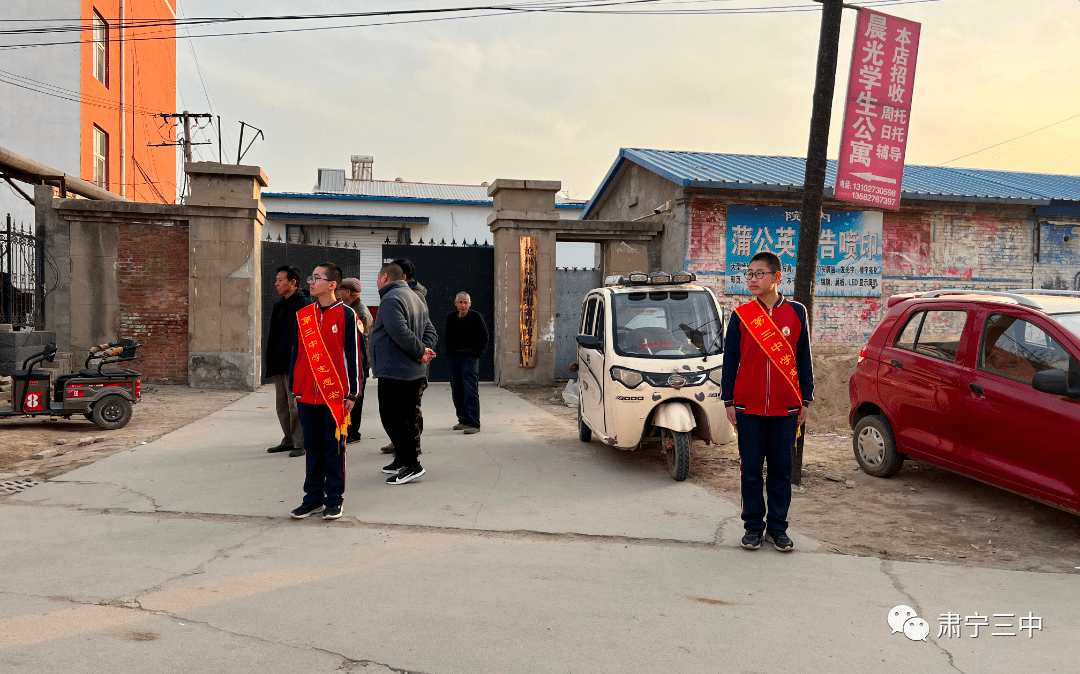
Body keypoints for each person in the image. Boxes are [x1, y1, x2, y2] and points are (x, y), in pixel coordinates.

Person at [720, 251, 814, 553]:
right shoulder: (742, 315)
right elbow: (731, 359)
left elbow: (803, 359)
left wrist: (806, 399)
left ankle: (777, 528)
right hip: (748, 406)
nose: (751, 279)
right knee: (750, 470)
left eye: (758, 273)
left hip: (786, 406)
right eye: (748, 274)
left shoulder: (797, 313)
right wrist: (728, 400)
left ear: (776, 277)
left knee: (781, 470)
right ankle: (752, 528)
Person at [289, 262, 364, 520]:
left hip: (335, 396)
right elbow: (297, 355)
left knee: (333, 449)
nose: (310, 282)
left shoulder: (346, 315)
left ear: (332, 285)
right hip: (307, 395)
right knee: (312, 448)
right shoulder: (304, 315)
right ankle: (312, 499)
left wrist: (352, 394)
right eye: (310, 277)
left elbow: (354, 357)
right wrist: (295, 389)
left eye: (316, 278)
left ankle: (334, 499)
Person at [370, 262, 437, 485]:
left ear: (385, 278)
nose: (377, 282)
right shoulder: (416, 296)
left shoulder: (391, 299)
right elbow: (430, 330)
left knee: (393, 418)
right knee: (405, 417)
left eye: (378, 277)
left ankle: (411, 465)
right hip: (410, 371)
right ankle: (401, 459)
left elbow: (399, 331)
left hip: (396, 371)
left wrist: (420, 352)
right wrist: (425, 350)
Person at [381, 257, 429, 455]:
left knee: (409, 411)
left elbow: (410, 331)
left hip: (407, 366)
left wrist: (421, 352)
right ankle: (402, 446)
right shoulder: (400, 295)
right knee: (400, 413)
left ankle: (410, 450)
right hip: (407, 362)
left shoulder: (409, 296)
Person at [265, 265, 313, 458]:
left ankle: (301, 443)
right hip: (280, 363)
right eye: (276, 280)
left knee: (296, 406)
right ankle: (288, 439)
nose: (276, 283)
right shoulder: (280, 304)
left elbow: (306, 337)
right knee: (282, 406)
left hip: (295, 364)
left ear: (293, 283)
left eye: (280, 280)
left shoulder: (303, 304)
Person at [444, 291, 488, 434]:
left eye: (466, 302)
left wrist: (476, 353)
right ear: (456, 303)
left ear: (470, 304)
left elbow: (484, 337)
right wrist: (449, 353)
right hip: (454, 358)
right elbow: (447, 337)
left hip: (469, 358)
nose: (463, 305)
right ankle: (462, 420)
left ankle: (474, 423)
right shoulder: (451, 317)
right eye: (460, 302)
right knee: (457, 390)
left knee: (470, 390)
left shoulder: (476, 317)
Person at [337, 277, 373, 444]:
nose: (337, 293)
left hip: (359, 364)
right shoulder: (349, 308)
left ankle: (353, 433)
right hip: (351, 362)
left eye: (339, 290)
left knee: (355, 399)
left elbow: (360, 343)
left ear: (348, 293)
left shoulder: (360, 312)